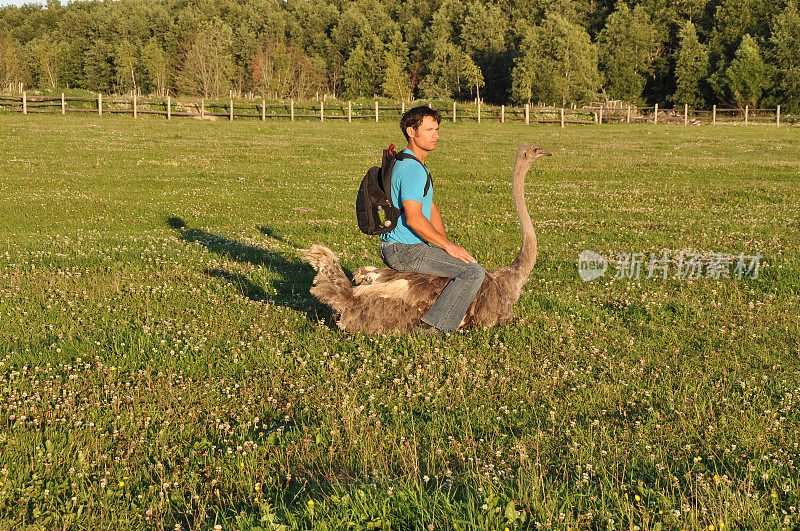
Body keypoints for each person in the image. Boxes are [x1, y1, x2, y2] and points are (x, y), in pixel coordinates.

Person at [379, 106, 485, 334]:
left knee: (458, 261)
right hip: (405, 250)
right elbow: (415, 218)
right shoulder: (413, 169)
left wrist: (446, 244)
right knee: (473, 271)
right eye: (428, 130)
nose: (435, 135)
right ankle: (434, 328)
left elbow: (430, 206)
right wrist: (448, 247)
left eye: (436, 129)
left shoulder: (409, 162)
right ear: (411, 131)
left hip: (401, 246)